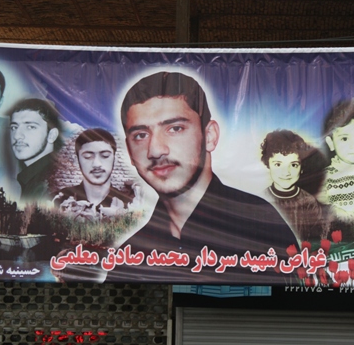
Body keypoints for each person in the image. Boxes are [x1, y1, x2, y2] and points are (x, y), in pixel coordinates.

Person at [108, 71, 298, 283]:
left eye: (175, 128)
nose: (155, 150)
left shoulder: (258, 222)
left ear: (210, 136)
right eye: (141, 135)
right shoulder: (129, 257)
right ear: (129, 151)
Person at [260, 129, 328, 241]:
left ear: (301, 168)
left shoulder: (308, 201)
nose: (286, 172)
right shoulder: (262, 199)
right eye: (278, 164)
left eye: (293, 165)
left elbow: (318, 236)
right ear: (268, 165)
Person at [53, 128, 134, 220]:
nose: (97, 164)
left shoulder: (130, 206)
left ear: (114, 159)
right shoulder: (57, 200)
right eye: (87, 156)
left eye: (105, 156)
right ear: (77, 160)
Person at [9, 98, 61, 202]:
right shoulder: (31, 177)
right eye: (14, 127)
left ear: (52, 135)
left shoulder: (51, 182)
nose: (17, 136)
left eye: (30, 127)